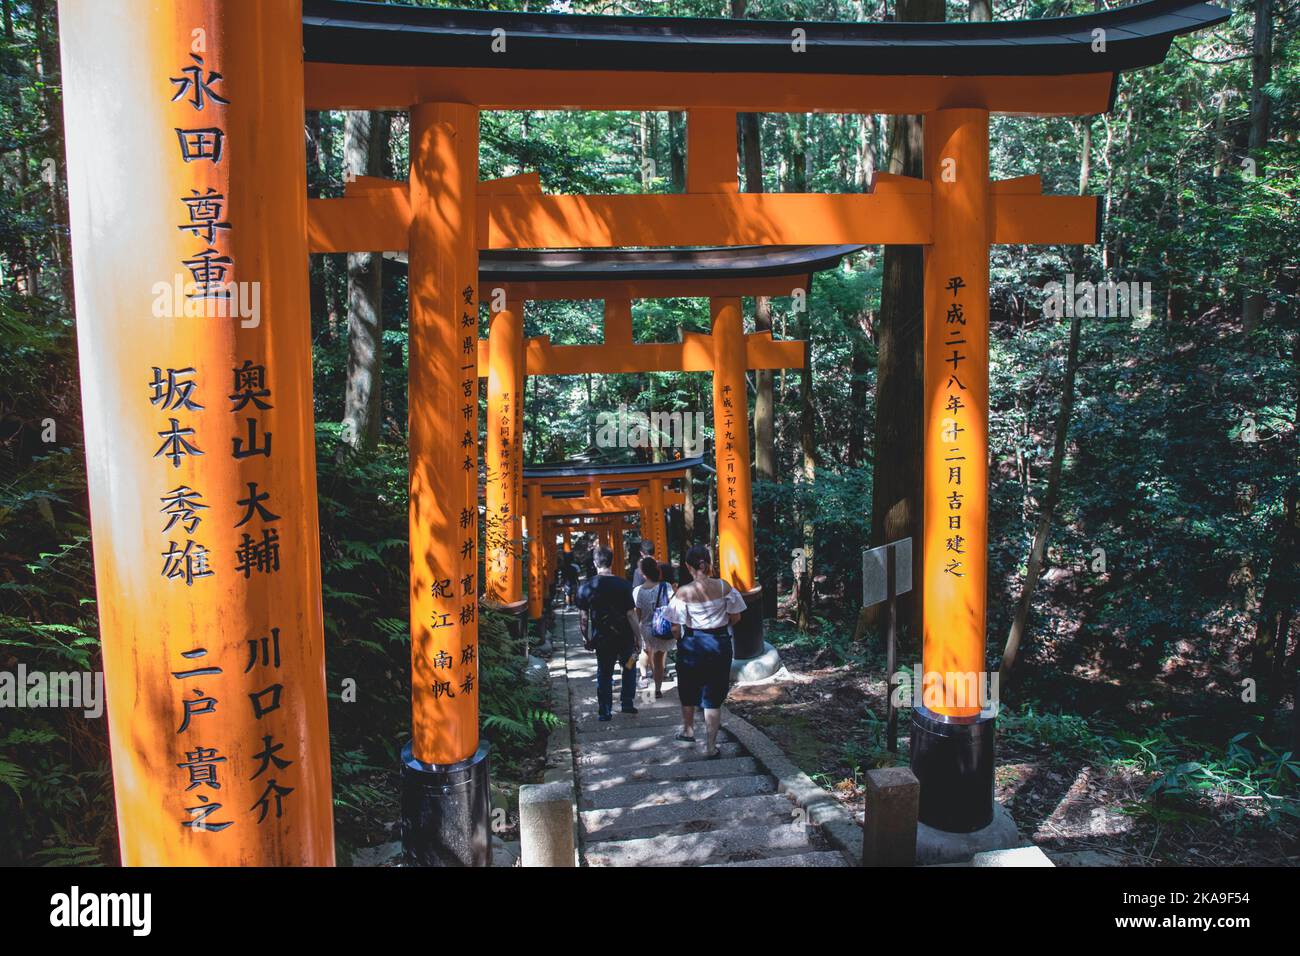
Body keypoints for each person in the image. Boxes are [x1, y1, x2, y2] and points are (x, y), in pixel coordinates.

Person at [665, 544, 745, 757]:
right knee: (713, 696)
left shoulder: (682, 592)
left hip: (692, 643)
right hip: (719, 643)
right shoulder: (723, 587)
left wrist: (681, 639)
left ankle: (688, 731)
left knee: (688, 689)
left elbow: (674, 626)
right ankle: (710, 745)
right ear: (709, 563)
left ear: (688, 567)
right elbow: (736, 616)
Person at [576, 546, 642, 721]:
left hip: (602, 639)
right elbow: (630, 614)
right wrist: (639, 637)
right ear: (611, 562)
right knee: (629, 667)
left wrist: (586, 637)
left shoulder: (586, 587)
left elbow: (583, 617)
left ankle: (605, 711)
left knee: (604, 673)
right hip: (626, 638)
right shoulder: (624, 585)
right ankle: (627, 703)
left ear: (595, 562)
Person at [631, 556, 676, 699]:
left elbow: (637, 614)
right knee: (659, 657)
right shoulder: (666, 586)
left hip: (645, 628)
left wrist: (635, 634)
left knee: (645, 652)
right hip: (661, 627)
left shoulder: (639, 590)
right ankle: (657, 689)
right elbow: (673, 606)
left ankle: (644, 677)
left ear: (643, 574)